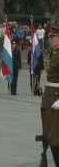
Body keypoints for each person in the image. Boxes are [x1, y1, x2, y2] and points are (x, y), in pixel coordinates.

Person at [40, 24, 59, 167]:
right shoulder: (54, 53)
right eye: (49, 37)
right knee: (50, 134)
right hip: (50, 98)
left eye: (53, 37)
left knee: (54, 136)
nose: (50, 40)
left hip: (56, 99)